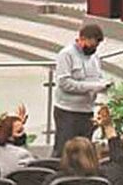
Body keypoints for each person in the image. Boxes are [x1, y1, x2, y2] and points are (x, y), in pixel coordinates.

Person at [52, 23, 110, 156]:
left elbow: (99, 78)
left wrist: (104, 86)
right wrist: (93, 87)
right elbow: (65, 83)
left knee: (84, 151)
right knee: (64, 150)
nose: (95, 48)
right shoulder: (66, 55)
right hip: (68, 112)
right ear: (83, 39)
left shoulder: (95, 57)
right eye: (93, 44)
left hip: (87, 112)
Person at [43, 105, 123, 185]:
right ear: (93, 156)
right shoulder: (106, 177)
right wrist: (108, 126)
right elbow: (119, 161)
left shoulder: (53, 181)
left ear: (65, 157)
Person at [0, 105, 35, 176]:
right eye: (19, 131)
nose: (24, 133)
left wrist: (16, 122)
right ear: (9, 137)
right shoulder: (23, 155)